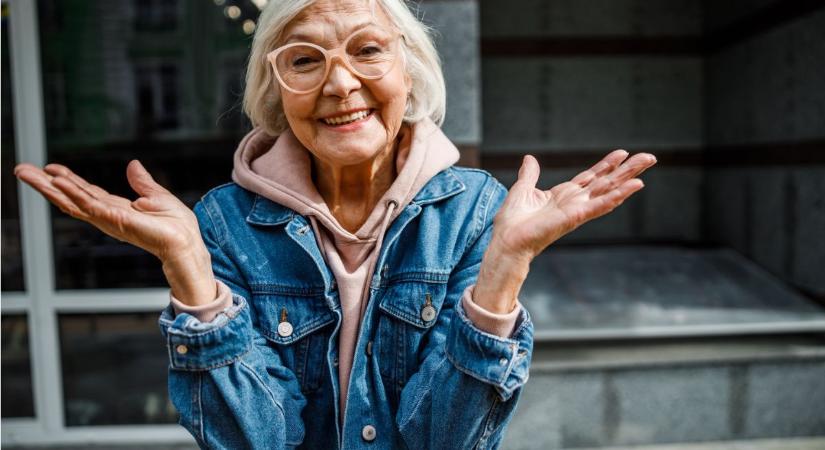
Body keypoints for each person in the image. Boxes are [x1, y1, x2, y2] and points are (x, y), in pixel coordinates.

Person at [14, 0, 657, 448]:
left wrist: (507, 264)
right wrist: (190, 270)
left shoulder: (475, 211)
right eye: (304, 59)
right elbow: (254, 441)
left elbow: (445, 439)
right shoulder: (224, 223)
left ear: (409, 69)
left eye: (367, 50)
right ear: (276, 89)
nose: (340, 82)